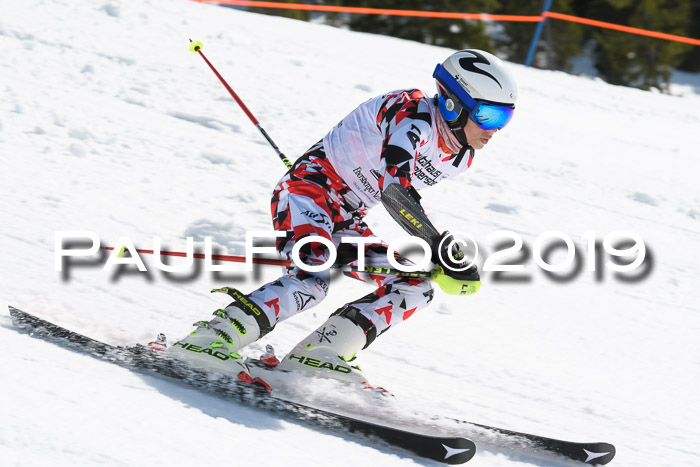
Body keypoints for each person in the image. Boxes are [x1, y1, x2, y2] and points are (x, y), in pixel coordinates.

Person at [168, 49, 518, 386]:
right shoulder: (410, 114)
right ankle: (211, 338)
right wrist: (437, 245)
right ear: (454, 104)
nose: (496, 129)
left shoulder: (460, 157)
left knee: (418, 282)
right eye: (489, 116)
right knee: (312, 278)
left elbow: (402, 197)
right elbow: (395, 193)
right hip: (307, 193)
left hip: (346, 220)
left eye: (506, 118)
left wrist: (442, 259)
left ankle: (320, 353)